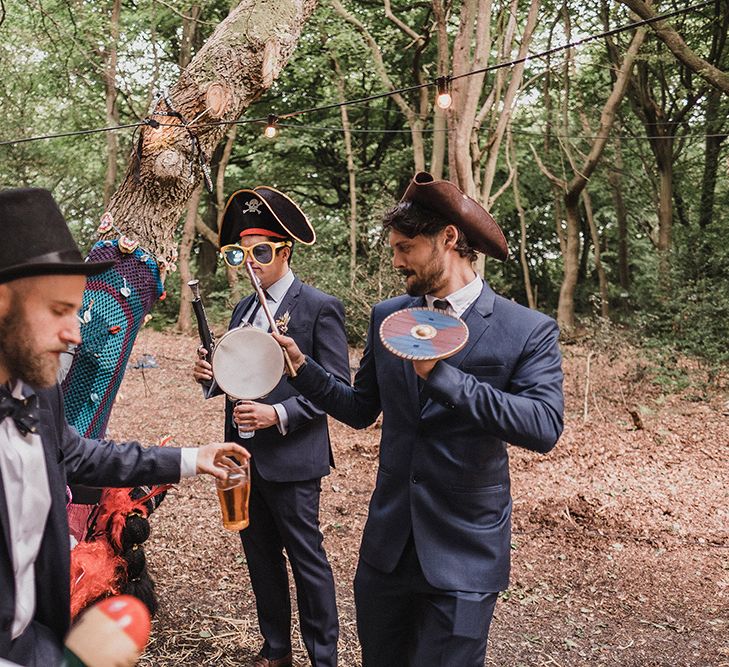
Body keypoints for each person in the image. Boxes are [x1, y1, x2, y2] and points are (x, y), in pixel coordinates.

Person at [274, 172, 565, 666]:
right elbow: (361, 408)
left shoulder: (526, 329)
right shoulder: (390, 316)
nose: (396, 261)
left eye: (406, 247)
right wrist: (304, 369)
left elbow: (542, 425)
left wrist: (443, 377)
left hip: (465, 553)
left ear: (449, 240)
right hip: (387, 552)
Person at [0, 187, 249, 666]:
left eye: (77, 310)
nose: (75, 333)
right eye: (58, 311)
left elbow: (76, 454)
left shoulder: (39, 390)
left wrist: (194, 459)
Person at [192, 187, 350, 667]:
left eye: (261, 251)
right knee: (259, 557)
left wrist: (278, 414)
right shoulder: (243, 310)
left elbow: (337, 388)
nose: (250, 262)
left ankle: (324, 657)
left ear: (286, 251)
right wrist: (211, 378)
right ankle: (275, 650)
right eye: (241, 252)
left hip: (293, 455)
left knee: (307, 561)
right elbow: (242, 375)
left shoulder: (319, 307)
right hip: (242, 455)